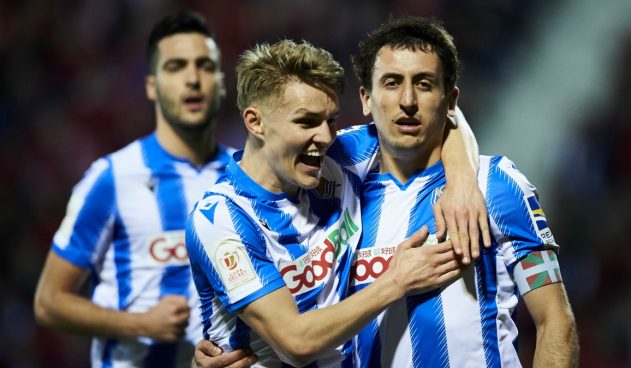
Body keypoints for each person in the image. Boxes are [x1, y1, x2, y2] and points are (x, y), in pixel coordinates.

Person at [185, 39, 486, 368]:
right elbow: (296, 343)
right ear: (255, 122)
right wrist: (396, 280)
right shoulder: (220, 218)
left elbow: (436, 122)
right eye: (307, 122)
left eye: (331, 121)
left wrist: (461, 180)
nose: (326, 137)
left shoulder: (337, 158)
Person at [348, 16, 579, 367]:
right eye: (392, 83)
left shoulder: (496, 184)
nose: (407, 100)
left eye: (424, 84)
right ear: (366, 98)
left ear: (450, 98)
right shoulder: (340, 195)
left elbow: (554, 321)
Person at [33, 11, 253, 368]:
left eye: (205, 66)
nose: (193, 79)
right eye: (176, 67)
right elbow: (49, 302)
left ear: (222, 81)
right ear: (151, 85)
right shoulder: (112, 177)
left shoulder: (246, 177)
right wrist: (140, 323)